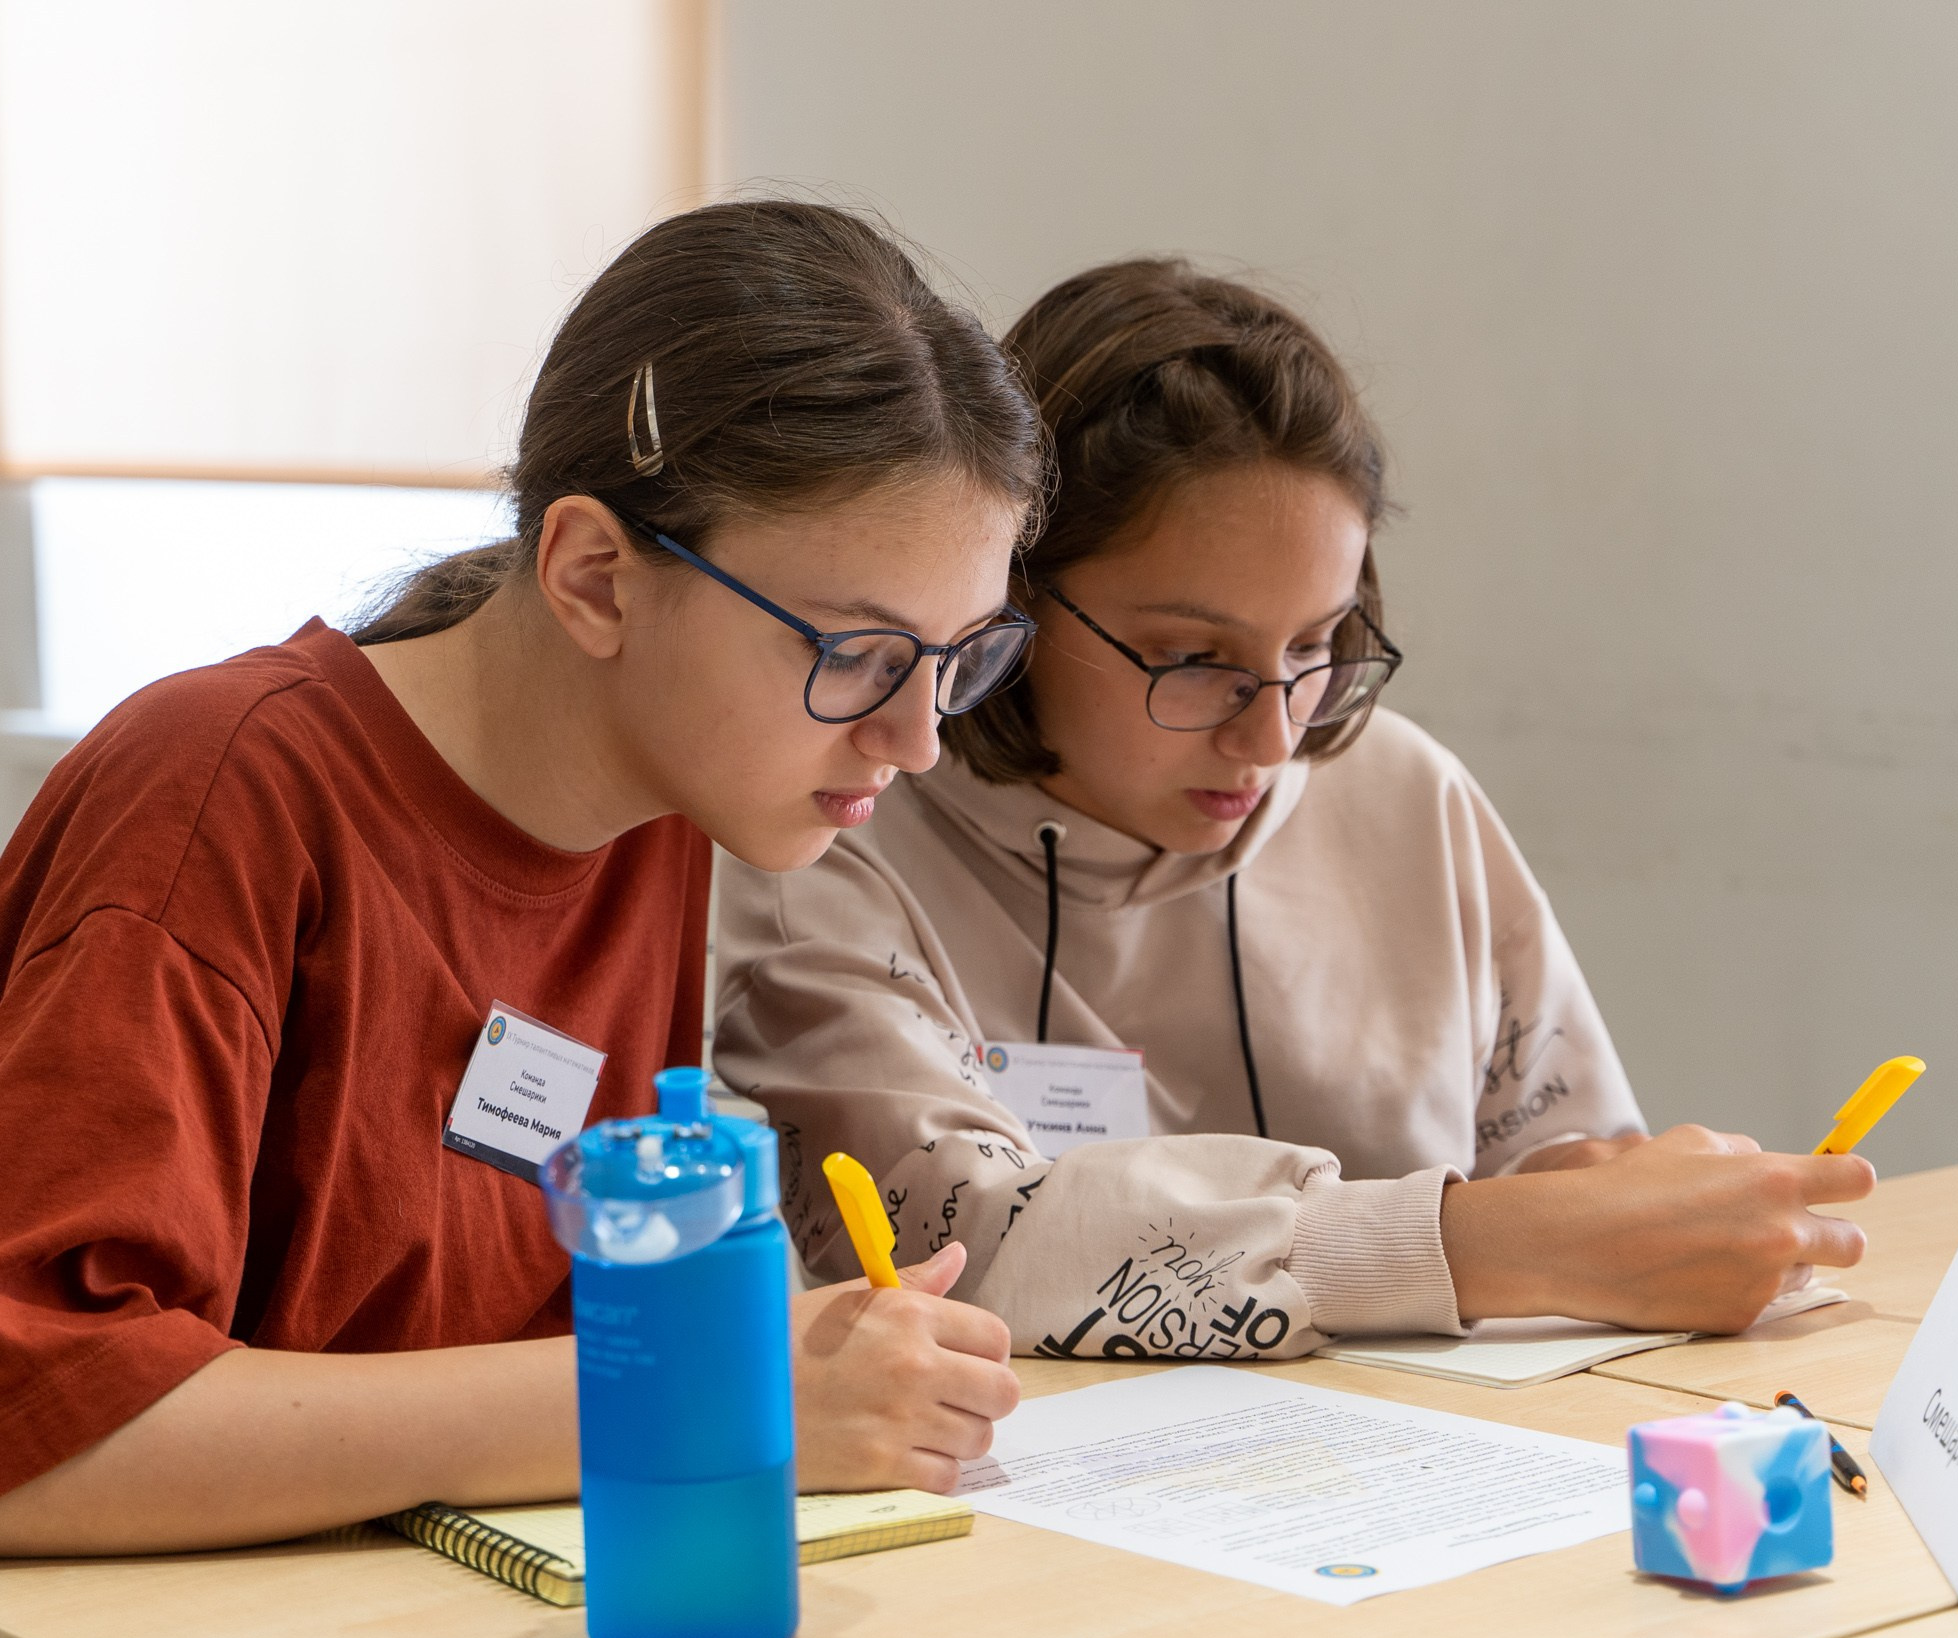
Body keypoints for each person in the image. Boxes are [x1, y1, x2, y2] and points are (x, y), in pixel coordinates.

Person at [0, 199, 1041, 1638]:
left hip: (423, 1624)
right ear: (594, 577)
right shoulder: (218, 794)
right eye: (857, 653)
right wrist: (687, 1384)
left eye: (959, 661)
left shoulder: (663, 812)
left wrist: (766, 1332)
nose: (916, 738)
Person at [714, 258, 1872, 1361]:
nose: (1273, 737)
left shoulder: (1403, 792)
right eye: (1190, 657)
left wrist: (1621, 1195)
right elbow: (959, 1242)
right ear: (1004, 605)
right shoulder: (831, 828)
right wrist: (1476, 1246)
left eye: (1317, 646)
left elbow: (1564, 1161)